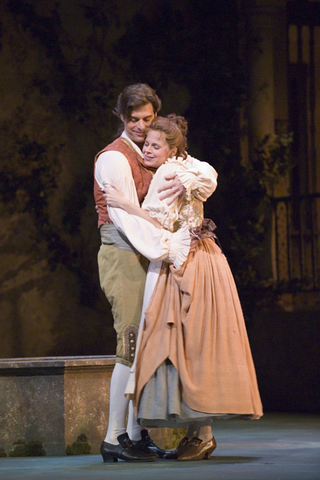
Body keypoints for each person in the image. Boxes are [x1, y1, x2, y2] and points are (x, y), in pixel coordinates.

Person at [104, 114, 263, 462]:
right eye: (146, 144)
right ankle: (200, 435)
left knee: (179, 343)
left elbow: (157, 226)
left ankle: (198, 434)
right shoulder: (191, 166)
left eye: (155, 145)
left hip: (183, 263)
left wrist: (128, 207)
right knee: (200, 344)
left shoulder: (168, 172)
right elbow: (208, 177)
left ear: (172, 149)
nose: (147, 149)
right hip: (207, 258)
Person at [94, 84, 217, 463]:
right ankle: (115, 437)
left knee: (155, 343)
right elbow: (127, 221)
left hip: (155, 253)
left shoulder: (159, 155)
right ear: (121, 117)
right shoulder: (115, 159)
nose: (141, 127)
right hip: (128, 252)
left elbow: (205, 176)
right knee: (130, 343)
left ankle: (135, 432)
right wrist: (169, 242)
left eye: (147, 119)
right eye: (133, 119)